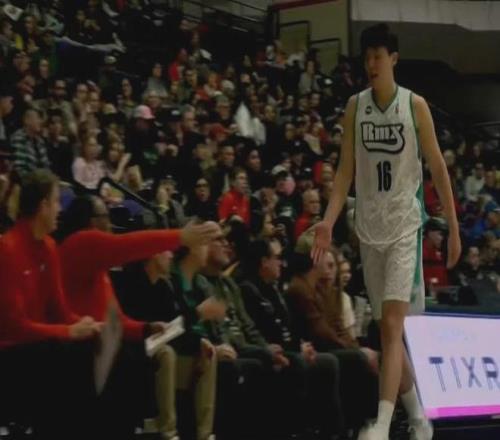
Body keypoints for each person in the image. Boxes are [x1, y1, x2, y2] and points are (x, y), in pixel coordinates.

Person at [312, 23, 461, 440]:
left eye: (378, 56)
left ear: (393, 59)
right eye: (367, 57)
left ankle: (381, 424)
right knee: (387, 332)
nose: (372, 64)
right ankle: (419, 418)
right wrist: (327, 220)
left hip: (404, 227)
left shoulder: (415, 106)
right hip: (369, 229)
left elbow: (438, 168)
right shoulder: (355, 107)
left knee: (393, 328)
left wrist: (453, 226)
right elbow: (345, 171)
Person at [0, 170, 101, 439]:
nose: (60, 209)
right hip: (11, 352)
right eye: (56, 202)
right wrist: (68, 332)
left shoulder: (49, 247)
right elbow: (13, 327)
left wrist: (87, 324)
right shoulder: (7, 249)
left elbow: (60, 311)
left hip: (40, 345)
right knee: (64, 355)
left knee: (103, 346)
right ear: (43, 205)